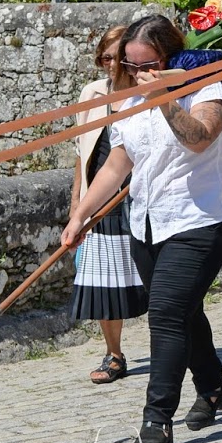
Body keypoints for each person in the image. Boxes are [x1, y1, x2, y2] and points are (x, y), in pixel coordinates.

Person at [61, 14, 222, 443]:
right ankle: (214, 388)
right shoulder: (129, 101)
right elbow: (118, 165)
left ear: (170, 57)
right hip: (145, 222)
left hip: (200, 221)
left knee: (164, 314)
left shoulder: (208, 89)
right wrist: (81, 213)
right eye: (131, 65)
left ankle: (156, 420)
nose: (139, 74)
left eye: (148, 65)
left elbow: (198, 139)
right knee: (183, 311)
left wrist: (164, 96)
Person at [69, 25, 147, 384]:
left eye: (118, 58)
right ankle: (114, 355)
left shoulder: (148, 93)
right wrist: (78, 208)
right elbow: (81, 155)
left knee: (156, 277)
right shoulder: (92, 94)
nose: (111, 65)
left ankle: (178, 347)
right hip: (101, 198)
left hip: (142, 194)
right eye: (105, 58)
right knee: (103, 283)